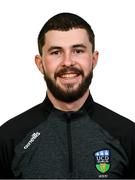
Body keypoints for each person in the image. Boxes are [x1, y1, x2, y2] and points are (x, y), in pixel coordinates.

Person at [0, 12, 135, 179]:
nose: (68, 62)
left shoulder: (128, 135)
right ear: (40, 64)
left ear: (93, 59)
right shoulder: (9, 138)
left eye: (78, 51)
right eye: (56, 52)